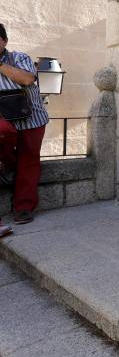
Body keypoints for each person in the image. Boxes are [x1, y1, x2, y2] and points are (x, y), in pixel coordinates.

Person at [0, 23, 49, 228]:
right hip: (5, 121)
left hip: (31, 119)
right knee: (3, 133)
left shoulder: (19, 57)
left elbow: (28, 78)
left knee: (28, 162)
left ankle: (24, 207)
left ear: (4, 41)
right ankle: (10, 164)